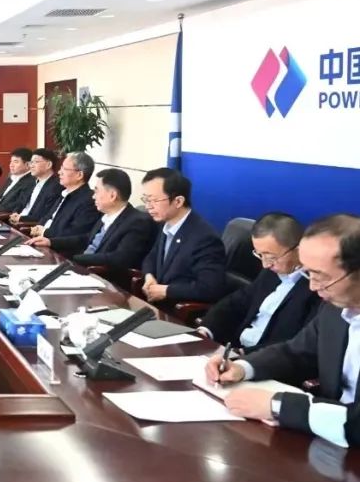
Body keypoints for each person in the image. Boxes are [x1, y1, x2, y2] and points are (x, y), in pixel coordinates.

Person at [206, 214, 360, 447]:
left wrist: (278, 405)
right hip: (328, 440)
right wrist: (242, 367)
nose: (312, 286)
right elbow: (296, 352)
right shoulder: (335, 309)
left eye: (320, 276)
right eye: (308, 273)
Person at [198, 212, 322, 352]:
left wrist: (243, 356)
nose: (265, 264)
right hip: (234, 348)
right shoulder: (271, 272)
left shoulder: (317, 288)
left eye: (271, 257)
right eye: (259, 255)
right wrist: (205, 330)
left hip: (266, 359)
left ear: (299, 250)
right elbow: (235, 303)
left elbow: (296, 343)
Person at [29, 168, 155, 276]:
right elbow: (86, 239)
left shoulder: (137, 222)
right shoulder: (106, 215)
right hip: (81, 269)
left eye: (96, 191)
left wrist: (74, 259)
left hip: (105, 280)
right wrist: (51, 242)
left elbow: (119, 258)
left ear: (112, 196)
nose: (93, 196)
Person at [139, 168, 227, 305]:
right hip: (156, 305)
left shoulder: (205, 238)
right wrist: (149, 276)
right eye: (146, 199)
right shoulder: (165, 223)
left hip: (178, 311)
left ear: (178, 201)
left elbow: (209, 288)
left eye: (154, 200)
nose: (148, 206)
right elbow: (151, 257)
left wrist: (166, 291)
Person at [26, 152, 100, 240]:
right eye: (61, 168)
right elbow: (47, 217)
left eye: (65, 169)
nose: (59, 172)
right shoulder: (64, 193)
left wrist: (44, 232)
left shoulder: (88, 201)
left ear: (79, 175)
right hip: (39, 239)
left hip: (54, 245)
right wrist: (38, 228)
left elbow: (73, 234)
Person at [9, 148, 62, 224]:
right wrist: (15, 214)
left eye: (36, 162)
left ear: (49, 165)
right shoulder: (31, 183)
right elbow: (20, 204)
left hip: (28, 226)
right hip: (16, 223)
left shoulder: (56, 187)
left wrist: (21, 218)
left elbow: (44, 216)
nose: (31, 166)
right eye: (31, 162)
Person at [0, 148, 35, 215]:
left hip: (2, 217)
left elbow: (18, 205)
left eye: (16, 162)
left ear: (27, 165)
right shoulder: (11, 177)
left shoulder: (30, 182)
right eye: (11, 161)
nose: (11, 165)